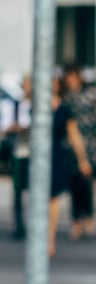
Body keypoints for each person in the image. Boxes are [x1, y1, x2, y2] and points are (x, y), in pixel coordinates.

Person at [62, 63, 96, 240]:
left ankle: (88, 218)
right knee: (75, 185)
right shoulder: (67, 98)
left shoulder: (90, 95)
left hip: (90, 146)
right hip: (72, 148)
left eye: (73, 76)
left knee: (87, 185)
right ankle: (77, 222)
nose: (70, 80)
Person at [49, 75, 91, 258]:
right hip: (38, 156)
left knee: (53, 199)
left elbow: (74, 135)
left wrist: (83, 160)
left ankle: (49, 239)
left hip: (56, 156)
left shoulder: (64, 109)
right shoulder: (35, 105)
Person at [0, 75, 31, 239]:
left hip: (35, 154)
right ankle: (19, 225)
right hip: (19, 152)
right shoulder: (14, 105)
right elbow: (4, 127)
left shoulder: (39, 105)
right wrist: (14, 128)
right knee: (18, 190)